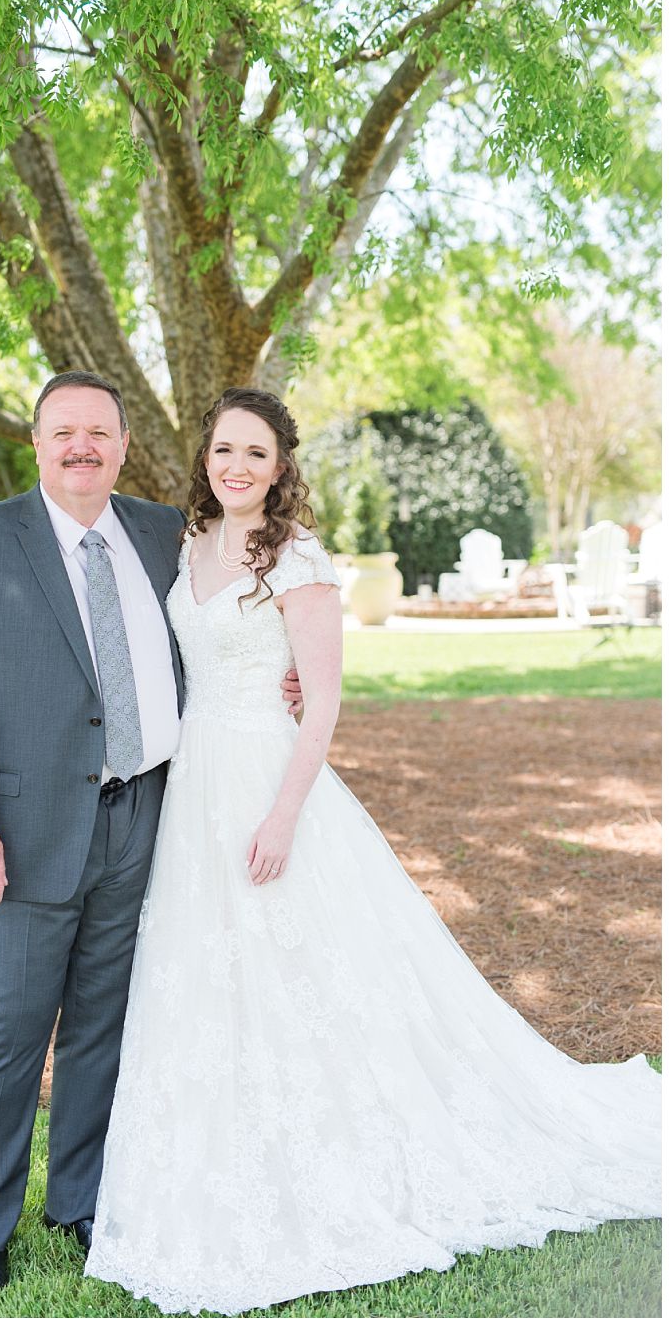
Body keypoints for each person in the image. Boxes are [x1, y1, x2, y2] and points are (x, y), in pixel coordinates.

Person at [84, 386, 661, 1315]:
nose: (236, 466)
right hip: (193, 784)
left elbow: (324, 704)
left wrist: (282, 816)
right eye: (224, 449)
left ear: (281, 468)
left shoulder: (298, 557)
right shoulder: (187, 545)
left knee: (304, 967)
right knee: (206, 973)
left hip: (271, 781)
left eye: (256, 454)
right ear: (206, 456)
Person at [0, 370, 302, 1295]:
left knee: (106, 1021)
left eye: (100, 431)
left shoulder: (169, 533)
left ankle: (82, 1198)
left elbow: (223, 631)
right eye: (64, 431)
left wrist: (286, 680)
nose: (82, 445)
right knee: (7, 1026)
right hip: (21, 826)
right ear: (37, 443)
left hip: (150, 813)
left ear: (125, 445)